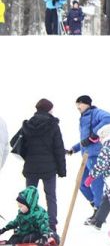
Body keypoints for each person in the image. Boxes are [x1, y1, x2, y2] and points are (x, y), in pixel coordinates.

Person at [10, 99, 66, 234]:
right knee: (51, 197)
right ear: (49, 110)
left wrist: (27, 154)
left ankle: (28, 225)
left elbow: (13, 142)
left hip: (31, 168)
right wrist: (62, 170)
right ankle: (51, 226)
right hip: (49, 169)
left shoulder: (28, 125)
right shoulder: (53, 125)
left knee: (29, 197)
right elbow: (59, 149)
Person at [66, 95, 110, 224]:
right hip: (86, 156)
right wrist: (74, 149)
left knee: (96, 184)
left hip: (96, 155)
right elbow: (85, 140)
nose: (77, 107)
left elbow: (109, 117)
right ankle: (96, 207)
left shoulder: (95, 113)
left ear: (86, 103)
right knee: (81, 184)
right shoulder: (83, 117)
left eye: (79, 104)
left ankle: (99, 215)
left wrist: (95, 133)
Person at [86, 124, 110, 230]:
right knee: (109, 199)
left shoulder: (106, 148)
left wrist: (91, 177)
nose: (100, 140)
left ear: (105, 136)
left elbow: (101, 165)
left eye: (101, 137)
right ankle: (98, 221)